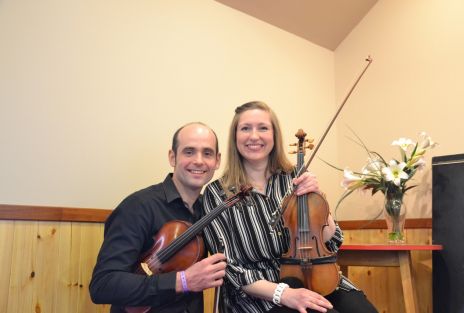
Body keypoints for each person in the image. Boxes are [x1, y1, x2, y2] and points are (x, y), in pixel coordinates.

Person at [202, 101, 378, 313]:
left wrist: (317, 197)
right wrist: (285, 294)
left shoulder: (295, 177)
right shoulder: (218, 193)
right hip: (260, 295)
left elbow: (332, 238)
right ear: (235, 137)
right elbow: (229, 267)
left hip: (315, 278)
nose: (254, 136)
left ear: (274, 136)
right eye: (246, 128)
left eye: (263, 128)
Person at [89, 122, 227, 313]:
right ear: (172, 157)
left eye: (207, 153)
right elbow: (103, 285)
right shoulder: (138, 206)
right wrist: (181, 281)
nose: (199, 160)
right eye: (189, 152)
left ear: (217, 161)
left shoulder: (210, 210)